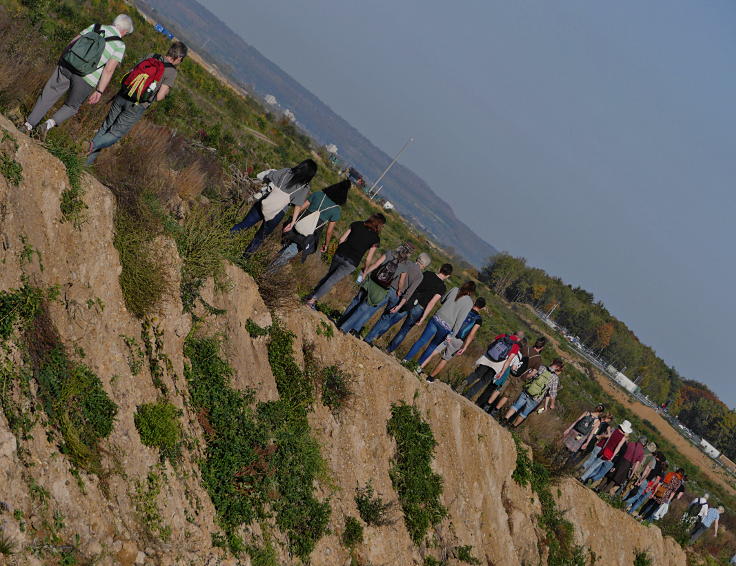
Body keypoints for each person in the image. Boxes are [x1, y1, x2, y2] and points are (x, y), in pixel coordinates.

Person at [23, 15, 134, 139]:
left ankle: (28, 125)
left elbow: (72, 43)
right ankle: (47, 125)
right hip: (86, 78)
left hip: (67, 65)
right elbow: (109, 69)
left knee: (48, 94)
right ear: (125, 31)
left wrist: (62, 60)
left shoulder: (96, 26)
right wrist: (99, 90)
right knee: (72, 106)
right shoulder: (119, 45)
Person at [86, 41, 188, 164]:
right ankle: (91, 145)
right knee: (115, 133)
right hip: (137, 105)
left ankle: (85, 162)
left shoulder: (152, 56)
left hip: (123, 95)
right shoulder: (172, 72)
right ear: (179, 57)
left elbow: (132, 71)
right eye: (182, 60)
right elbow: (160, 96)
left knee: (105, 127)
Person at [231, 159, 318, 254]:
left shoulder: (286, 171)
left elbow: (269, 176)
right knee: (260, 237)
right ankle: (245, 256)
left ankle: (224, 237)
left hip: (265, 202)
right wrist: (292, 222)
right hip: (278, 213)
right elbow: (298, 205)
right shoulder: (304, 187)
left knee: (244, 224)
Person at [363, 261, 450, 352]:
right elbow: (431, 303)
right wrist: (423, 317)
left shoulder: (428, 274)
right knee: (404, 330)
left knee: (392, 320)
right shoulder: (442, 288)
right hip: (419, 308)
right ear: (448, 276)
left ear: (440, 268)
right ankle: (388, 350)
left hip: (410, 301)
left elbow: (415, 285)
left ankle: (374, 336)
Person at [305, 214, 385, 308]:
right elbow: (368, 258)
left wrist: (340, 250)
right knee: (331, 280)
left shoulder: (357, 224)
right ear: (379, 225)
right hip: (352, 262)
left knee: (329, 276)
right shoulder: (375, 238)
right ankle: (312, 300)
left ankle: (311, 295)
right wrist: (365, 271)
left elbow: (342, 239)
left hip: (340, 253)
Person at [337, 243, 419, 335]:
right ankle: (344, 327)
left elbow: (376, 264)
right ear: (409, 254)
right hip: (381, 289)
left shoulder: (389, 253)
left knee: (356, 300)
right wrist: (399, 291)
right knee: (363, 308)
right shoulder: (404, 266)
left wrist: (365, 273)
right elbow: (401, 282)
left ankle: (340, 321)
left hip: (371, 281)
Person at [270, 180, 350, 269]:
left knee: (287, 246)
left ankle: (268, 266)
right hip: (310, 235)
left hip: (298, 224)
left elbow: (300, 207)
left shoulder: (318, 194)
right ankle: (269, 270)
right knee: (293, 249)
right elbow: (329, 231)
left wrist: (291, 221)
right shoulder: (336, 210)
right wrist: (326, 245)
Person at [402, 281, 477, 366]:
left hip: (436, 318)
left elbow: (442, 300)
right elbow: (460, 321)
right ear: (471, 292)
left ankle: (406, 359)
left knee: (421, 340)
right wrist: (452, 335)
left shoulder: (454, 289)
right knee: (432, 347)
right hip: (447, 327)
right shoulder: (469, 303)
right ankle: (416, 366)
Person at [421, 297, 486, 381]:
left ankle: (420, 367)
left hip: (450, 333)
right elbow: (471, 334)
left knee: (435, 351)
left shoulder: (465, 309)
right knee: (445, 359)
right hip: (459, 340)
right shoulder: (479, 320)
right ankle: (430, 378)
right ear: (482, 308)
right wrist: (465, 347)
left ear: (474, 302)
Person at [487, 336, 546, 414]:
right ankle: (494, 411)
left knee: (499, 388)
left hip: (510, 371)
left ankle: (487, 405)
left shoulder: (525, 348)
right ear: (542, 347)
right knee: (506, 395)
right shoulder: (538, 359)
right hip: (520, 378)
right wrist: (525, 377)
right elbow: (533, 372)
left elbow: (514, 356)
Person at [459, 331, 524, 401]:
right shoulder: (516, 346)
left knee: (477, 374)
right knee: (484, 381)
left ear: (514, 333)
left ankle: (466, 381)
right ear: (519, 339)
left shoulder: (504, 335)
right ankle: (467, 395)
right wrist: (502, 372)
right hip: (498, 364)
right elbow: (509, 360)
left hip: (487, 358)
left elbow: (492, 343)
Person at [503, 359, 564, 428]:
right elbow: (553, 393)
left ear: (552, 362)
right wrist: (552, 404)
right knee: (524, 414)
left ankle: (504, 421)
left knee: (515, 406)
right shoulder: (555, 378)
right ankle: (512, 427)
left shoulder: (542, 367)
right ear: (558, 368)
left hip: (527, 391)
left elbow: (531, 375)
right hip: (536, 398)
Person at [579, 420, 632, 484]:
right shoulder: (623, 438)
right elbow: (618, 448)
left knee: (590, 460)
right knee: (594, 466)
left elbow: (605, 436)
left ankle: (579, 471)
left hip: (600, 447)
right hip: (607, 453)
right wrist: (612, 457)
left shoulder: (613, 430)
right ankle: (582, 478)